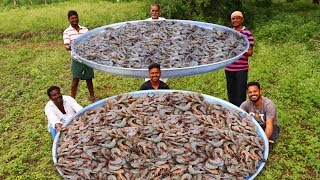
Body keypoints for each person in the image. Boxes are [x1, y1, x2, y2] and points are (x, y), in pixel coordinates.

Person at [63, 10, 96, 102]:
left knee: (89, 79)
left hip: (86, 58)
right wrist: (72, 47)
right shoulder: (67, 31)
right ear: (69, 20)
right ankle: (72, 100)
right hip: (76, 59)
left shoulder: (85, 29)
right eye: (72, 18)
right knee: (75, 80)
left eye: (75, 17)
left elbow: (90, 40)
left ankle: (92, 97)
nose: (74, 19)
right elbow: (67, 46)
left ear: (78, 17)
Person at [225, 11, 254, 107]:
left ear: (242, 20)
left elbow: (250, 52)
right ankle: (233, 111)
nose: (235, 20)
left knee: (240, 93)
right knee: (231, 92)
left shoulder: (247, 33)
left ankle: (241, 112)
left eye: (238, 18)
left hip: (241, 69)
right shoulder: (229, 33)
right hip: (228, 68)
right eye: (233, 18)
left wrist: (241, 50)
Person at [240, 82, 280, 148]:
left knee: (267, 144)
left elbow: (269, 124)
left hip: (270, 125)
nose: (252, 94)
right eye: (250, 92)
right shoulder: (245, 104)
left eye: (255, 91)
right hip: (255, 125)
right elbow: (239, 115)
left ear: (260, 92)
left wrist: (264, 140)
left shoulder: (268, 105)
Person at [145, 4, 168, 83]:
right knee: (150, 66)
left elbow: (166, 33)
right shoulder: (146, 21)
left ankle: (162, 85)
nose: (154, 12)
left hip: (161, 48)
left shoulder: (163, 20)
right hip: (150, 49)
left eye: (156, 11)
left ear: (159, 12)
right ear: (150, 11)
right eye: (153, 10)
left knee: (162, 67)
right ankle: (150, 85)